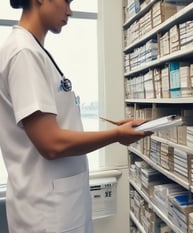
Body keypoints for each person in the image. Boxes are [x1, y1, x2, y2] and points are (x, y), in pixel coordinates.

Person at [0, 0, 152, 232]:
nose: (70, 10)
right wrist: (117, 135)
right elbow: (51, 143)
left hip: (58, 206)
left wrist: (116, 131)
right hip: (46, 213)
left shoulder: (32, 49)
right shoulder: (24, 53)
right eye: (67, 1)